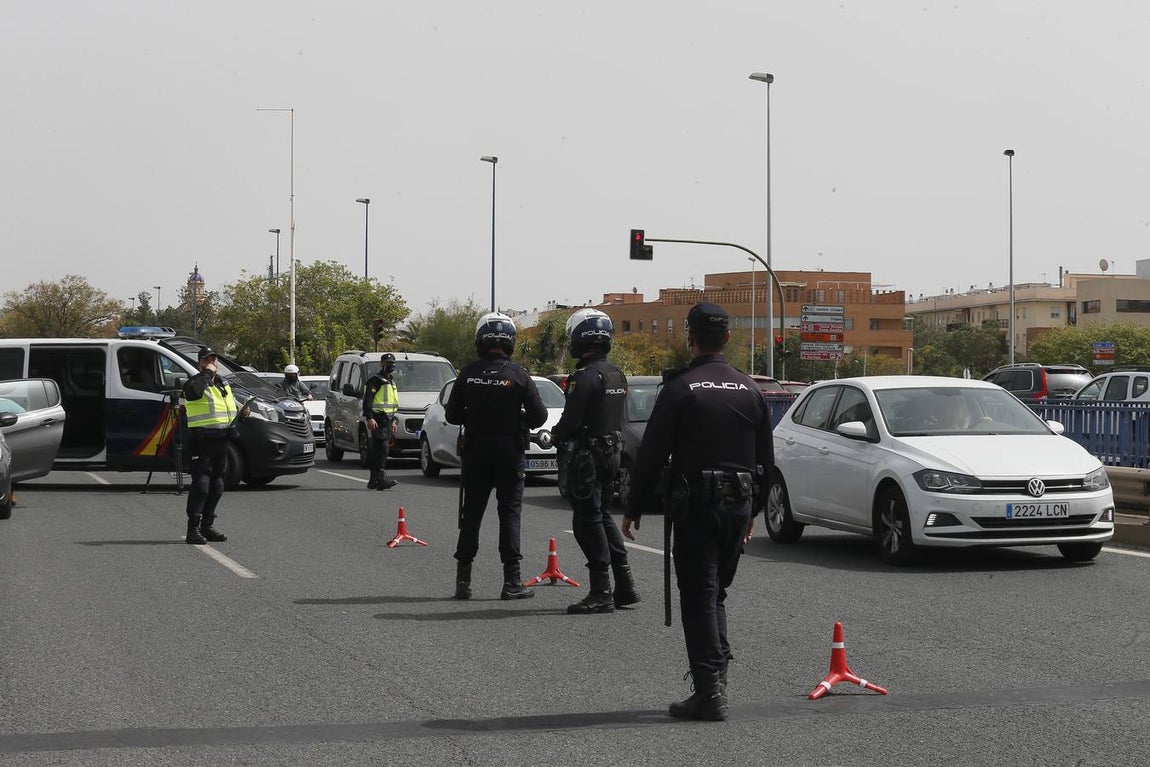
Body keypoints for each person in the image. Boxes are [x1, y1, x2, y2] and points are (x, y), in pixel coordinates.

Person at [623, 302, 773, 721]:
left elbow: (651, 453)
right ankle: (715, 683)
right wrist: (753, 512)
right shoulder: (750, 389)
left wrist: (633, 506)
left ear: (690, 337)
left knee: (701, 596)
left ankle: (709, 693)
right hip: (738, 506)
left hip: (697, 508)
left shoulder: (680, 388)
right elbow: (766, 461)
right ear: (727, 337)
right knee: (715, 594)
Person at [447, 313, 548, 600]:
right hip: (509, 453)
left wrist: (478, 416)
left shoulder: (467, 373)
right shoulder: (519, 375)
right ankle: (511, 582)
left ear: (481, 340)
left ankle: (463, 583)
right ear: (510, 342)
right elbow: (539, 417)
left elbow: (453, 415)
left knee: (472, 515)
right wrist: (514, 418)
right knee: (509, 515)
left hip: (476, 452)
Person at [551, 308, 640, 615]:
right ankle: (625, 585)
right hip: (612, 453)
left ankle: (601, 591)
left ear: (579, 338)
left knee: (586, 522)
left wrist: (554, 435)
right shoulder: (617, 373)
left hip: (589, 457)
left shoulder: (585, 378)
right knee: (603, 517)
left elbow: (571, 420)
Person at [182, 346, 250, 545]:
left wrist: (242, 413)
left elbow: (227, 411)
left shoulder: (222, 384)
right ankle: (192, 529)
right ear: (200, 363)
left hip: (222, 440)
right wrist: (207, 373)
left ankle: (207, 526)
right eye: (207, 360)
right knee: (201, 486)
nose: (213, 362)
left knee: (218, 485)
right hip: (201, 441)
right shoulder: (195, 382)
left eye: (214, 359)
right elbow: (193, 393)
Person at [363, 353, 400, 490]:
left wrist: (394, 420)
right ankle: (381, 479)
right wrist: (369, 417)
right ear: (381, 364)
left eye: (392, 363)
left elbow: (392, 403)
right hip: (377, 418)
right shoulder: (375, 380)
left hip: (387, 419)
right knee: (382, 449)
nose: (390, 365)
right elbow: (368, 400)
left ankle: (373, 481)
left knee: (379, 449)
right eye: (387, 363)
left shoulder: (391, 381)